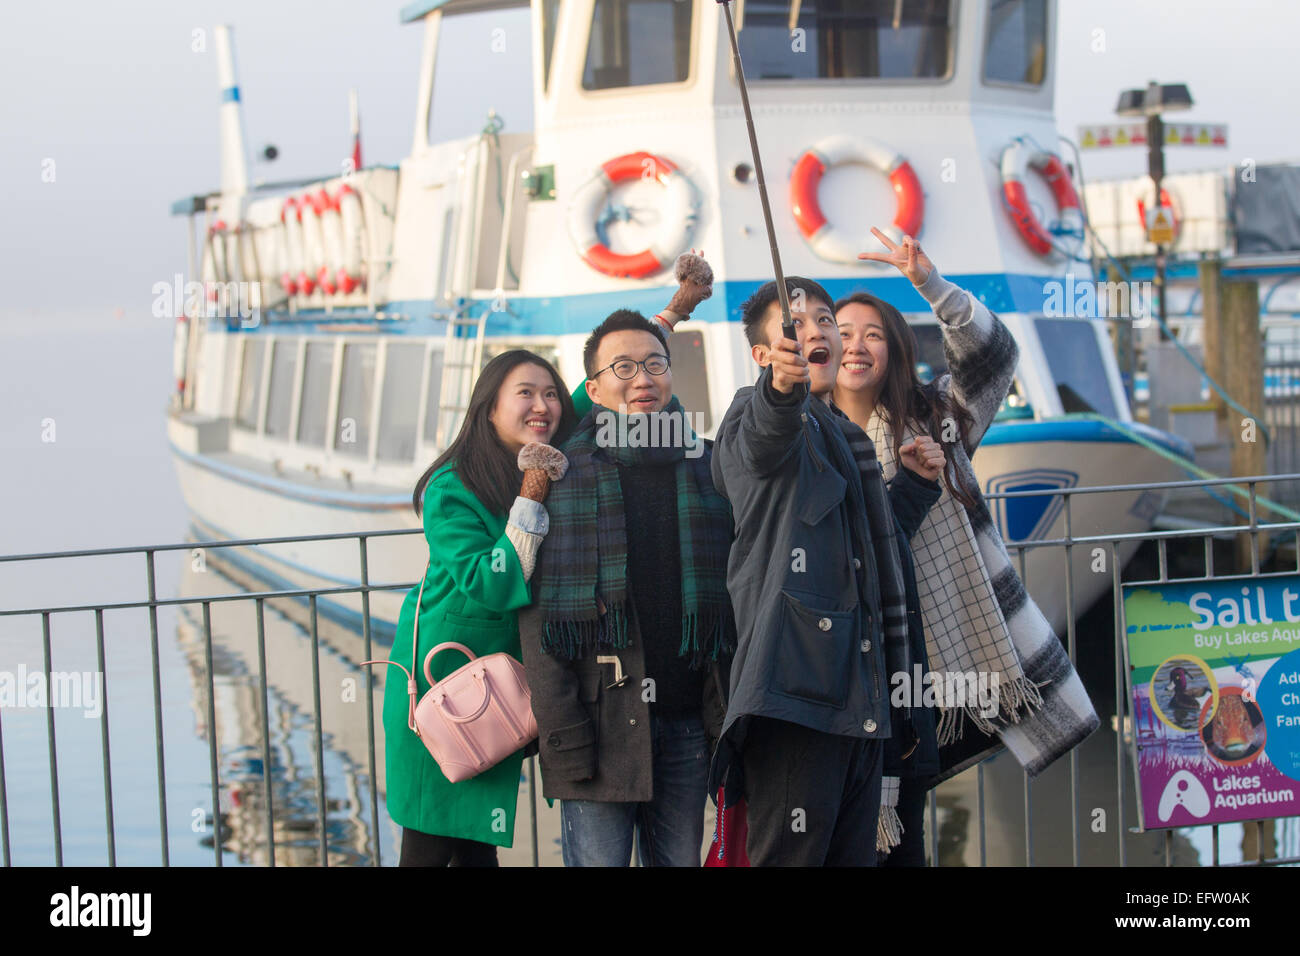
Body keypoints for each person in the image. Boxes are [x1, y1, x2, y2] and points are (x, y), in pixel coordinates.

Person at [836, 228, 1101, 865]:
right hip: (846, 657)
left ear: (895, 348)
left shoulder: (936, 418)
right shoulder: (807, 433)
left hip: (934, 653)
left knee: (908, 820)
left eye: (873, 333)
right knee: (840, 824)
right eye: (841, 333)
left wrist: (932, 285)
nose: (856, 345)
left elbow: (995, 355)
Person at [708, 274, 937, 866]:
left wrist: (912, 487)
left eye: (825, 320)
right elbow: (763, 439)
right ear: (764, 355)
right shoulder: (751, 415)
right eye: (795, 325)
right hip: (795, 695)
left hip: (856, 694)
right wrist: (780, 387)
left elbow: (865, 549)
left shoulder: (844, 433)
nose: (817, 331)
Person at [518, 306, 736, 867]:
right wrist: (561, 734)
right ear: (593, 387)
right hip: (600, 726)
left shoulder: (707, 465)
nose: (643, 378)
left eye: (655, 362)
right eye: (623, 366)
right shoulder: (561, 477)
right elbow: (540, 622)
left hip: (687, 721)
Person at [381, 349, 578, 867]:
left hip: (501, 691)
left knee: (475, 840)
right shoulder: (453, 486)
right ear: (489, 408)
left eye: (551, 393)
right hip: (444, 686)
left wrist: (670, 316)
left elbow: (596, 392)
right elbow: (488, 583)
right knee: (429, 840)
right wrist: (533, 494)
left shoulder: (524, 461)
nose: (544, 405)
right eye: (526, 393)